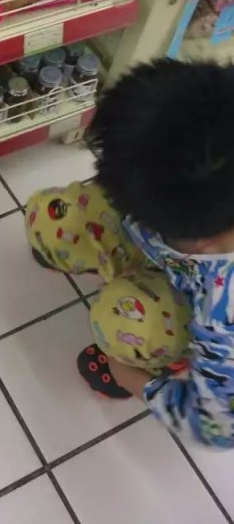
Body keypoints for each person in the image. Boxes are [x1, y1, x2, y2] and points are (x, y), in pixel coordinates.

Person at [25, 59, 234, 447]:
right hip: (184, 246)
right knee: (56, 216)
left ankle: (161, 355)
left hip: (199, 295)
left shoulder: (224, 318)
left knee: (125, 321)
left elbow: (215, 428)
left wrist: (132, 378)